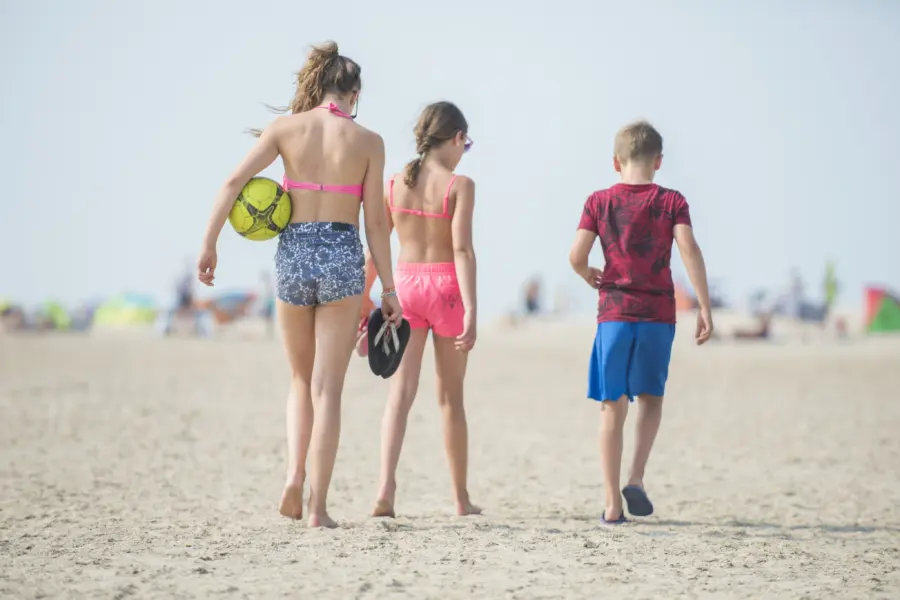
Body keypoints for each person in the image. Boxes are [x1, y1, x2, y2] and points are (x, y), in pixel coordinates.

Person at [196, 41, 401, 528]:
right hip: (342, 254)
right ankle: (319, 508)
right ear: (353, 93)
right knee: (329, 392)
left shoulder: (286, 128)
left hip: (293, 253)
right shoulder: (369, 141)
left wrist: (210, 244)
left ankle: (292, 476)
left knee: (300, 381)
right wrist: (389, 289)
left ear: (319, 84)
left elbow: (230, 183)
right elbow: (376, 223)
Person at [568, 120, 713, 525]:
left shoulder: (598, 201)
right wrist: (704, 305)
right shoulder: (672, 202)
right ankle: (636, 477)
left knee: (611, 407)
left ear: (616, 162)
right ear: (659, 161)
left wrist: (587, 274)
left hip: (614, 314)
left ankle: (612, 504)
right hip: (656, 315)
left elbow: (576, 255)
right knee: (650, 397)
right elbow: (689, 248)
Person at [360, 101, 480, 518]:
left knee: (400, 395)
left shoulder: (394, 184)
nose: (465, 151)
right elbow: (462, 250)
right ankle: (461, 499)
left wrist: (365, 297)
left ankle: (385, 490)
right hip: (447, 288)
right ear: (455, 138)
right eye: (467, 143)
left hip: (406, 287)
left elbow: (377, 248)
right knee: (451, 399)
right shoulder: (459, 185)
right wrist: (472, 310)